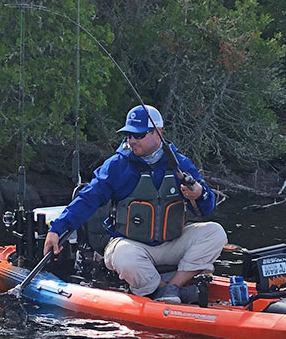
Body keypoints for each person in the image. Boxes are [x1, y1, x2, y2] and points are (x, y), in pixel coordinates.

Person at [43, 105, 228, 304]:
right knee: (125, 257)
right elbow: (87, 199)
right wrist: (57, 229)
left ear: (158, 133)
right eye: (128, 135)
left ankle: (173, 286)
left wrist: (198, 194)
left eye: (138, 135)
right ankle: (166, 290)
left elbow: (206, 209)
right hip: (131, 244)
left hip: (170, 243)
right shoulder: (117, 165)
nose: (131, 140)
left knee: (215, 233)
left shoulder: (180, 164)